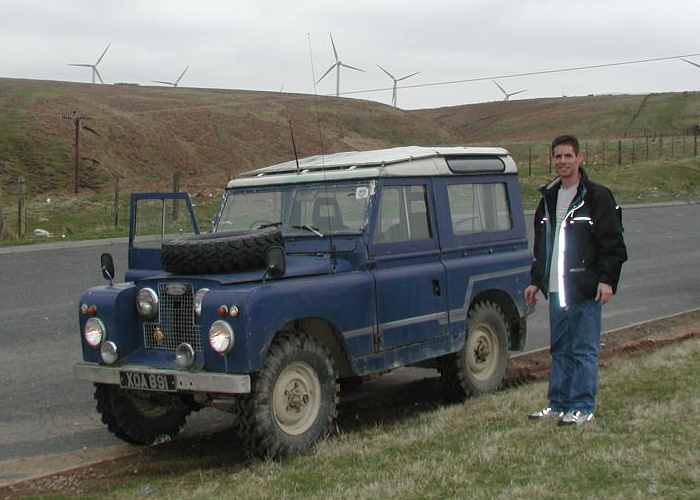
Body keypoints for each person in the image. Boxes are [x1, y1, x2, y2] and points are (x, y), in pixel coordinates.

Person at [525, 134, 627, 426]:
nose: (563, 162)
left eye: (568, 156)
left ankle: (582, 405)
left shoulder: (597, 196)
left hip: (584, 289)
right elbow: (543, 246)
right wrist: (536, 281)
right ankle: (558, 403)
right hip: (557, 290)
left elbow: (612, 243)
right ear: (552, 159)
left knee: (583, 349)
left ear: (579, 158)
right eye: (558, 156)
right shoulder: (548, 198)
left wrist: (607, 280)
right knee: (560, 349)